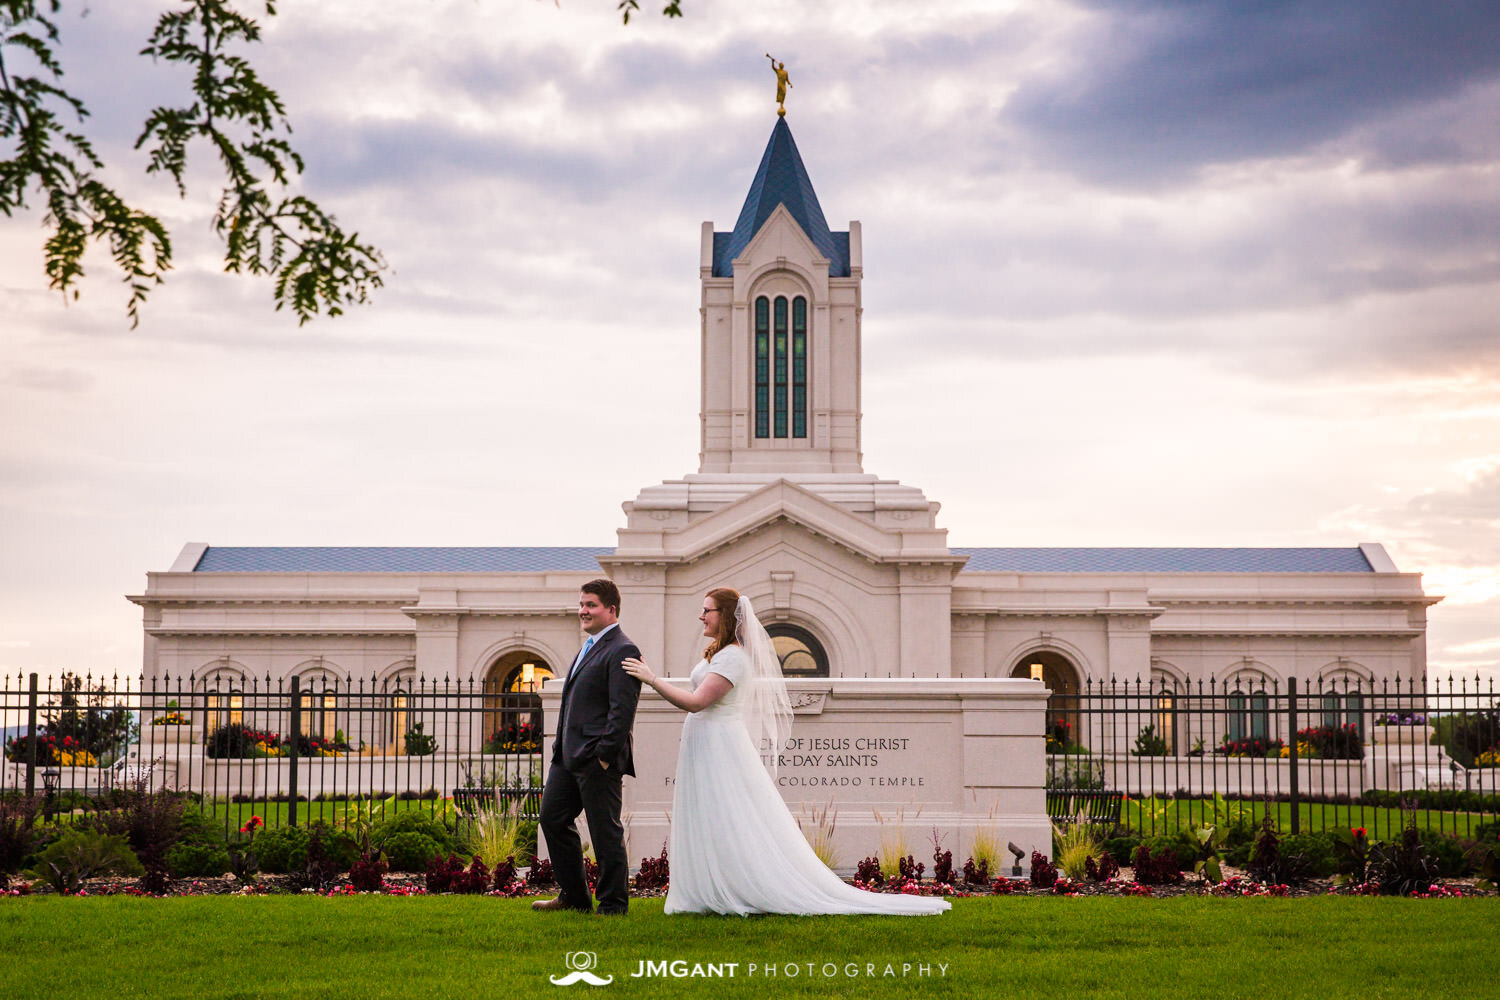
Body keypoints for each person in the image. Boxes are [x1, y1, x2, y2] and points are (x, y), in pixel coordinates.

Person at [622, 588, 950, 916]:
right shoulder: (718, 654)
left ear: (726, 616)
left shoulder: (734, 657)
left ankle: (740, 889)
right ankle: (711, 890)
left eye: (708, 610)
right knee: (710, 815)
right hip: (704, 743)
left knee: (729, 816)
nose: (701, 616)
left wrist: (652, 679)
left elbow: (696, 702)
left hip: (719, 745)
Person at [534, 579, 642, 914]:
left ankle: (612, 904)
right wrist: (559, 749)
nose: (583, 611)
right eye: (581, 604)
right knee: (552, 819)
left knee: (604, 832)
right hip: (566, 759)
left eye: (591, 605)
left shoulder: (622, 648)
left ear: (611, 610)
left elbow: (622, 710)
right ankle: (574, 897)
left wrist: (605, 758)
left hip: (597, 759)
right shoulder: (588, 647)